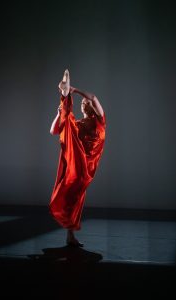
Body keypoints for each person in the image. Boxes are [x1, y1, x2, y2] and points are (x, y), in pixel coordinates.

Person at [49, 69, 106, 247]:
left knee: (77, 197)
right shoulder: (80, 125)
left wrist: (74, 90)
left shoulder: (99, 119)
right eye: (82, 102)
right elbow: (54, 131)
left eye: (84, 102)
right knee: (75, 197)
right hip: (79, 164)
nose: (84, 103)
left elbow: (94, 97)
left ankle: (66, 95)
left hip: (87, 166)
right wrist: (60, 114)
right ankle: (70, 235)